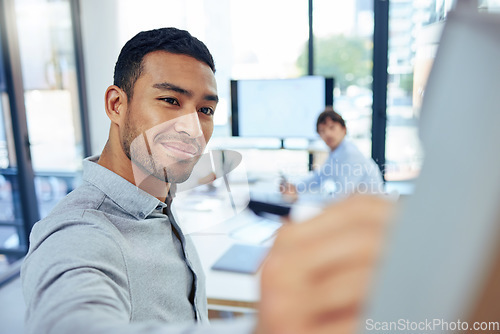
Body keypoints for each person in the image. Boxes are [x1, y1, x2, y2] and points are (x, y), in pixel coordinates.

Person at [21, 27, 393, 334]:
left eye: (205, 110)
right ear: (117, 105)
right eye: (169, 100)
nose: (192, 128)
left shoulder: (155, 190)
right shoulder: (77, 234)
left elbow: (211, 166)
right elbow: (69, 321)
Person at [282, 107, 384, 200]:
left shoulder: (350, 154)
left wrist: (300, 198)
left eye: (332, 128)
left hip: (370, 213)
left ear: (344, 129)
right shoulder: (336, 153)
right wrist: (295, 187)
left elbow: (342, 196)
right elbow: (319, 177)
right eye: (322, 131)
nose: (328, 134)